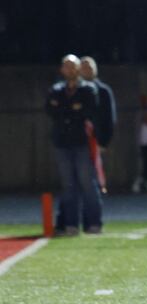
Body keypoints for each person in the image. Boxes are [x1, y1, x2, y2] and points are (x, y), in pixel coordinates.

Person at [45, 54, 101, 235]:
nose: (69, 70)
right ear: (61, 70)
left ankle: (93, 223)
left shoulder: (88, 89)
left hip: (81, 142)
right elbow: (51, 110)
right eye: (66, 66)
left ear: (78, 69)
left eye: (73, 66)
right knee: (68, 185)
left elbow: (87, 111)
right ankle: (71, 224)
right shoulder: (56, 89)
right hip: (62, 142)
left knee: (87, 183)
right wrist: (71, 109)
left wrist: (66, 109)